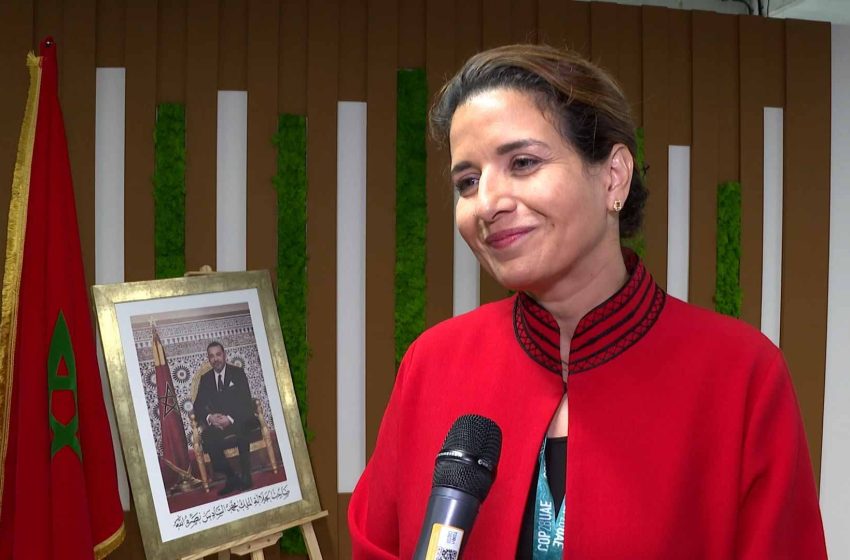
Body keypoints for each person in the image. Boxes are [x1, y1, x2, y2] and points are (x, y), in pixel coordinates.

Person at [347, 44, 827, 558]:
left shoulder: (740, 374)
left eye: (523, 162)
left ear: (613, 175)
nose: (487, 203)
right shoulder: (432, 364)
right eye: (468, 181)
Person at [193, 341, 258, 495]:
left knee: (244, 427)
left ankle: (246, 475)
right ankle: (231, 477)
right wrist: (211, 418)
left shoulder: (238, 373)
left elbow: (246, 401)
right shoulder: (206, 378)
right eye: (211, 356)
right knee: (207, 436)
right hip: (218, 424)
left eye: (218, 354)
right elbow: (198, 405)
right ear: (209, 359)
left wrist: (230, 418)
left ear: (224, 355)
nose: (216, 359)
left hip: (239, 419)